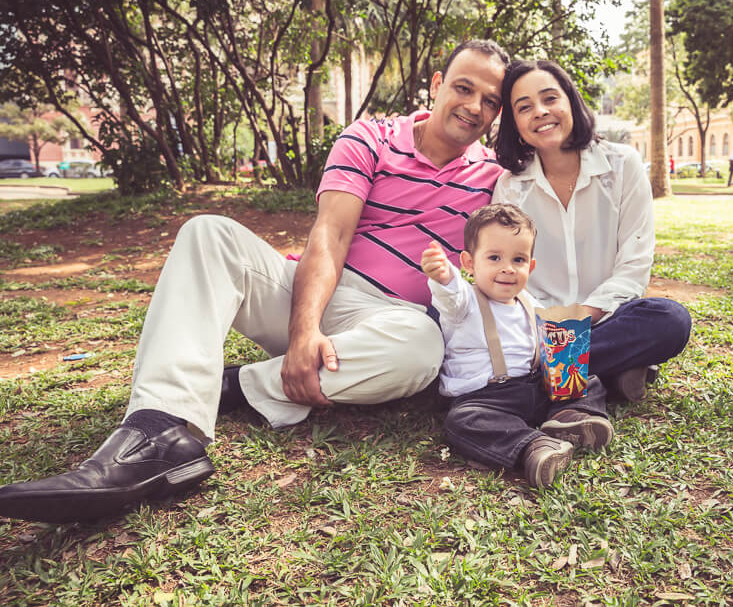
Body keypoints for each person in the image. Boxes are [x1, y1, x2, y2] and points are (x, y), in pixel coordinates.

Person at [0, 39, 510, 523]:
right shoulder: (371, 137)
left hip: (387, 319)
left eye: (490, 100)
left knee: (422, 349)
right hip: (309, 288)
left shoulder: (496, 179)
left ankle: (234, 386)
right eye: (464, 87)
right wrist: (304, 330)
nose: (473, 106)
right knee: (208, 234)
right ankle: (156, 430)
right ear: (438, 83)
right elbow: (329, 235)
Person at [493, 60, 691, 403]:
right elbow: (506, 272)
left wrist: (580, 317)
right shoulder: (510, 188)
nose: (540, 112)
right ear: (515, 124)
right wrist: (548, 326)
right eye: (524, 107)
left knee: (670, 319)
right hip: (538, 329)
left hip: (607, 322)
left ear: (570, 101)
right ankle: (608, 372)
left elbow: (633, 267)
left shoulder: (623, 165)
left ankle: (546, 379)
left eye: (550, 98)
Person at [422, 204, 613, 488]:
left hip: (533, 387)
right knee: (461, 422)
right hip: (485, 399)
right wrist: (444, 276)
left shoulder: (528, 301)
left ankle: (569, 417)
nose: (508, 268)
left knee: (587, 379)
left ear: (531, 266)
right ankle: (533, 447)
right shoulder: (465, 304)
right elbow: (452, 294)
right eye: (494, 257)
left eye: (519, 259)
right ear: (470, 263)